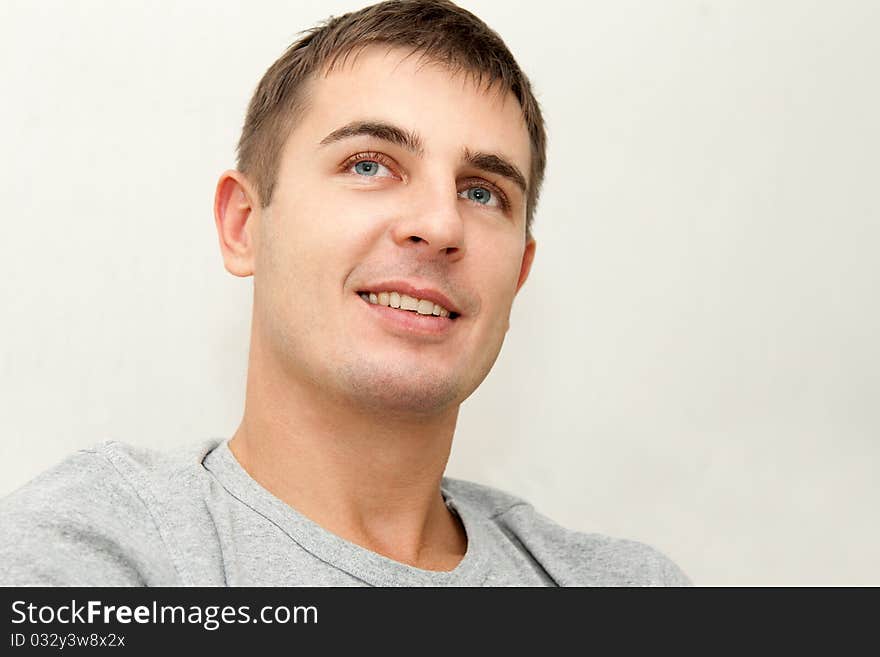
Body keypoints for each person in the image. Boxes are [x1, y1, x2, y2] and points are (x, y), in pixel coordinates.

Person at [0, 0, 690, 586]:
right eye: (370, 164)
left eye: (482, 191)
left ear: (518, 273)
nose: (440, 223)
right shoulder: (97, 551)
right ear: (245, 225)